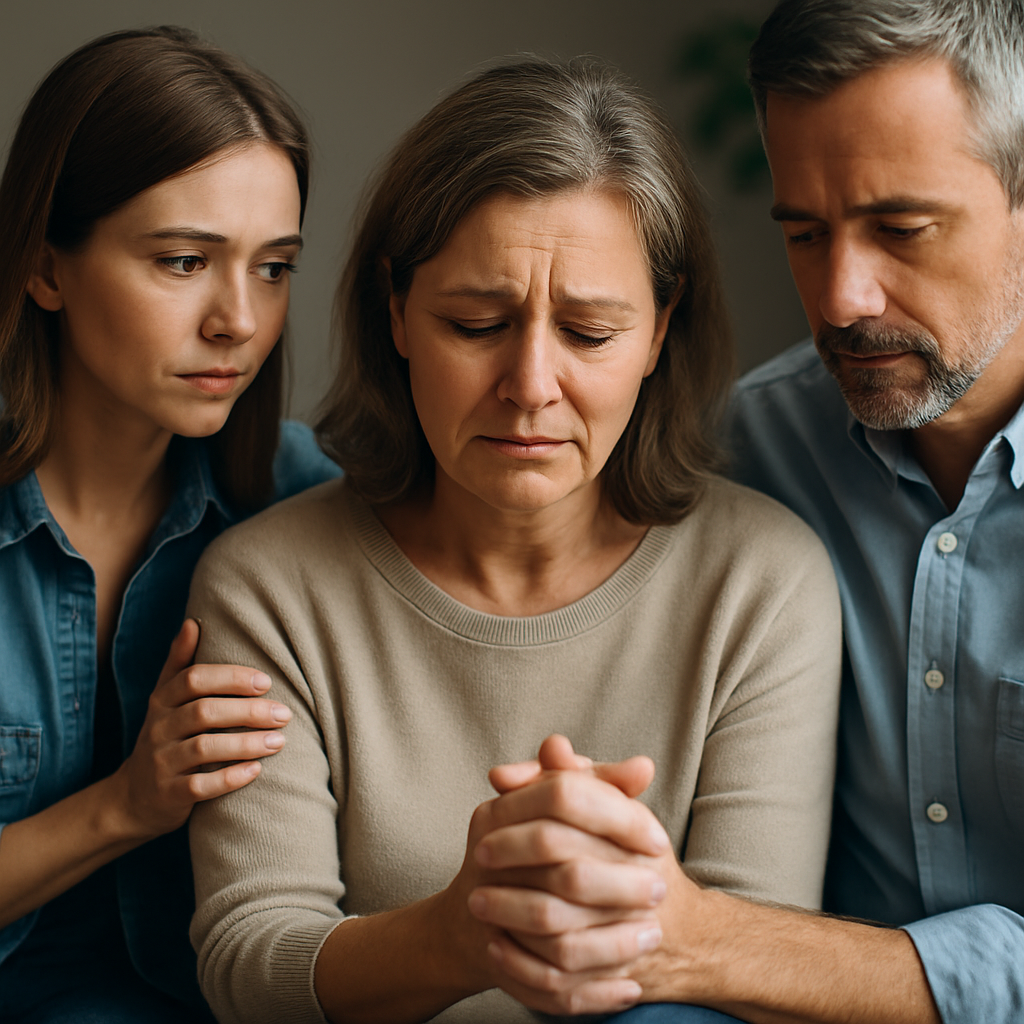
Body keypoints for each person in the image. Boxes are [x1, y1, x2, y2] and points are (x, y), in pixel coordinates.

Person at [186, 56, 842, 1024]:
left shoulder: (760, 580)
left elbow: (751, 964)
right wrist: (460, 930)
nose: (531, 383)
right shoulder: (269, 585)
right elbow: (250, 967)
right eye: (476, 322)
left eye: (589, 332)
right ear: (396, 308)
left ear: (660, 330)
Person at [0, 27, 340, 1023]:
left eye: (273, 268)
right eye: (185, 261)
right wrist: (123, 806)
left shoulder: (306, 500)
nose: (238, 317)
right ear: (45, 267)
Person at [713, 0, 1024, 1021]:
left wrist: (710, 947)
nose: (841, 297)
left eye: (900, 228)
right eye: (804, 233)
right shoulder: (747, 452)